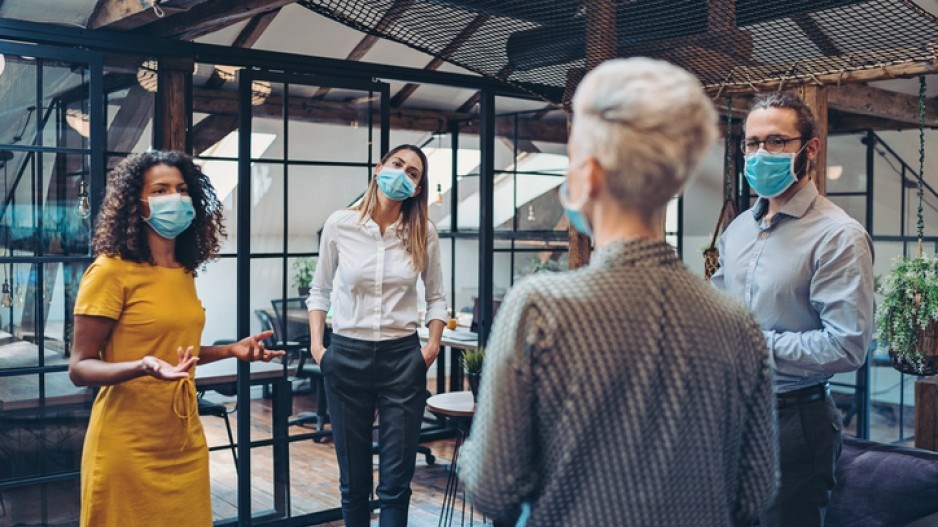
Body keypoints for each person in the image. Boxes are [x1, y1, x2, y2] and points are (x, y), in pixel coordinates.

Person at [459, 58, 778, 527]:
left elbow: (493, 488)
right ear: (677, 177)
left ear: (586, 175)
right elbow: (754, 494)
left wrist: (477, 447)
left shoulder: (539, 310)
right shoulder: (738, 324)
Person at [69, 151, 283, 527]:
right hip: (127, 444)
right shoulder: (109, 271)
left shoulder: (182, 271)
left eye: (182, 189)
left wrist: (231, 350)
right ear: (136, 202)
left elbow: (176, 353)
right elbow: (80, 367)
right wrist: (142, 365)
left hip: (184, 438)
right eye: (161, 189)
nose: (176, 198)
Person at [711, 91, 874, 526]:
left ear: (810, 149)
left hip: (794, 421)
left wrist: (754, 343)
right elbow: (722, 309)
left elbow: (847, 346)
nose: (761, 153)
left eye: (777, 142)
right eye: (752, 142)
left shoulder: (838, 236)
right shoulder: (739, 229)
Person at [306, 144, 447, 526]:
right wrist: (320, 349)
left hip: (403, 359)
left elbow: (436, 297)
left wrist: (430, 348)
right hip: (345, 356)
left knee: (396, 485)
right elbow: (319, 291)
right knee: (353, 484)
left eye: (413, 173)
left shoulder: (423, 232)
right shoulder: (340, 224)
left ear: (418, 189)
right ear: (378, 168)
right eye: (397, 165)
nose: (402, 174)